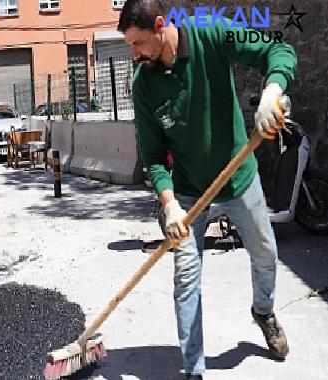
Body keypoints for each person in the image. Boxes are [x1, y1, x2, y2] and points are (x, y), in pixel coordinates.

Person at [118, 1, 296, 379]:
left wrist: (273, 88)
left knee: (266, 253)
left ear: (161, 26)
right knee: (186, 277)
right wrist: (169, 205)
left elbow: (277, 49)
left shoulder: (210, 31)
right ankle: (193, 369)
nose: (133, 54)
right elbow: (151, 156)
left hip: (238, 179)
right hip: (187, 193)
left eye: (137, 43)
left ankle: (263, 312)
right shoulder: (143, 84)